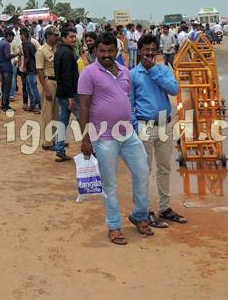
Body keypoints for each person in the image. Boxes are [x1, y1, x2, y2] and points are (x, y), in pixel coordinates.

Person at [78, 32, 150, 245]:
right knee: (110, 184)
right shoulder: (89, 73)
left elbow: (126, 99)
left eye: (110, 51)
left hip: (127, 133)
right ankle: (114, 226)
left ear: (117, 51)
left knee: (143, 172)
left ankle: (139, 215)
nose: (106, 55)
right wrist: (86, 138)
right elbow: (84, 107)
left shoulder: (125, 72)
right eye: (102, 51)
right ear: (96, 51)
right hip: (103, 137)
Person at [130, 34, 187, 227]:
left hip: (165, 124)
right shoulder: (132, 75)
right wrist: (135, 125)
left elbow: (173, 89)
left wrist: (154, 70)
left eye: (152, 49)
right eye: (145, 49)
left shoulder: (162, 70)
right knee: (143, 171)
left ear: (157, 51)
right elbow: (129, 104)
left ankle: (165, 207)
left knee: (164, 168)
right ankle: (144, 211)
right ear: (139, 51)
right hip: (144, 126)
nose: (149, 53)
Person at [53, 28, 81, 162]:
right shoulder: (68, 54)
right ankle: (91, 148)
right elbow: (67, 76)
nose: (74, 39)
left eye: (75, 37)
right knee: (83, 120)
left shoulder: (59, 51)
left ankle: (59, 148)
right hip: (70, 94)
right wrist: (71, 96)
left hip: (61, 92)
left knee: (63, 122)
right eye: (71, 37)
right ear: (64, 38)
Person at [37, 26, 60, 150]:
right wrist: (46, 90)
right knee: (47, 114)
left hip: (57, 82)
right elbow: (40, 71)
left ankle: (56, 140)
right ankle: (47, 142)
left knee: (56, 113)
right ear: (48, 36)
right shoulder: (42, 51)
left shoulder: (56, 49)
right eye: (55, 35)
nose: (57, 37)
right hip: (49, 82)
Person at [0, 30, 19, 112]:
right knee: (7, 87)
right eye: (12, 37)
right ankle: (5, 105)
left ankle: (3, 104)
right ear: (8, 36)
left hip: (1, 67)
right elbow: (7, 56)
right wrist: (17, 54)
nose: (12, 39)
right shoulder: (6, 44)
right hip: (7, 67)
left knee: (4, 86)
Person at [21, 29, 41, 113]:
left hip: (30, 68)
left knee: (32, 87)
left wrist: (24, 66)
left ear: (22, 35)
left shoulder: (24, 43)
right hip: (33, 66)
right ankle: (33, 104)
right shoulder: (31, 43)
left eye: (20, 35)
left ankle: (37, 104)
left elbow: (27, 56)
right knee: (29, 87)